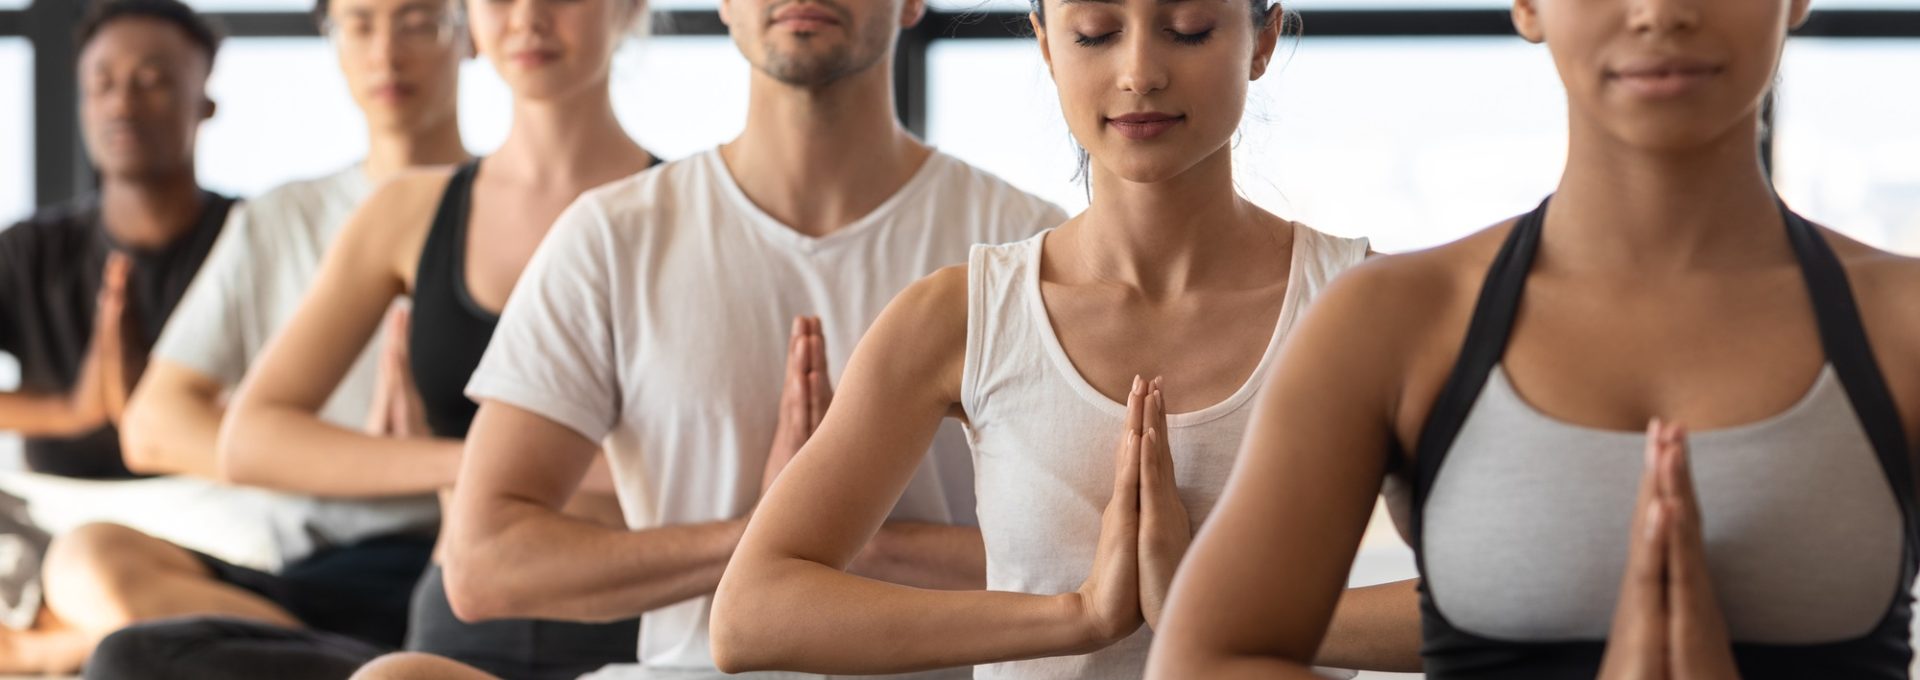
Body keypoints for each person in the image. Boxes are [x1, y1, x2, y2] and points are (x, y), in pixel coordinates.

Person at [1146, 1, 1920, 679]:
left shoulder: (1904, 322)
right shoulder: (1393, 322)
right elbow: (1202, 662)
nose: (1657, 10)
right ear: (1526, 4)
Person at [348, 0, 1067, 674]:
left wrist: (856, 535)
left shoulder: (1028, 247)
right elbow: (483, 564)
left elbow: (1101, 559)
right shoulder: (613, 238)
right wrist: (764, 536)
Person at [708, 0, 1419, 676]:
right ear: (1047, 45)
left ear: (1262, 40)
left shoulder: (1366, 309)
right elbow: (751, 615)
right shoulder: (960, 316)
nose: (1139, 73)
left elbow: (1509, 602)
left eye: (1190, 30)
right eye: (1094, 33)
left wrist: (1212, 617)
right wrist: (1077, 615)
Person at [82, 0, 657, 678]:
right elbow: (249, 434)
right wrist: (473, 464)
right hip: (455, 618)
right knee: (133, 658)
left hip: (633, 611)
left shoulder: (689, 209)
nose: (528, 17)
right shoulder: (411, 211)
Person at [30, 0, 468, 675]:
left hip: (466, 552)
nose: (386, 52)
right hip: (314, 566)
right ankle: (349, 657)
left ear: (472, 34)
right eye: (360, 24)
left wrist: (447, 468)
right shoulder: (280, 219)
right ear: (332, 39)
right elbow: (155, 427)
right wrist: (360, 465)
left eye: (418, 22)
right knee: (88, 560)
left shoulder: (512, 215)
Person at [0, 0, 231, 672]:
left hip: (214, 523)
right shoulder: (31, 252)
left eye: (153, 79)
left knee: (102, 577)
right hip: (56, 514)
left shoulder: (250, 242)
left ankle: (54, 646)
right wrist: (71, 409)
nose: (122, 103)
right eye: (101, 83)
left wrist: (161, 412)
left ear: (205, 100)